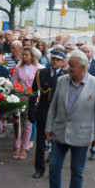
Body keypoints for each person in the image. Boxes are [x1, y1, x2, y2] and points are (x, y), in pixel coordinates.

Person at [45, 49, 95, 188]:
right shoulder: (62, 81)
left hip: (82, 133)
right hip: (60, 131)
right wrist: (48, 127)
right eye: (69, 66)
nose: (69, 69)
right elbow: (53, 106)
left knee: (77, 171)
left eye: (72, 66)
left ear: (82, 67)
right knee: (54, 166)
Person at [31, 49, 67, 179]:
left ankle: (55, 169)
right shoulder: (41, 73)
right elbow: (33, 93)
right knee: (40, 144)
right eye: (53, 59)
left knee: (57, 144)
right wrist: (31, 111)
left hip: (59, 114)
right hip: (43, 112)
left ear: (63, 62)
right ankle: (39, 168)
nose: (55, 62)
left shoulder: (66, 75)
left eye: (58, 60)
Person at [10, 47, 41, 160]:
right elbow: (14, 82)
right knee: (19, 123)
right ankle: (17, 146)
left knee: (29, 124)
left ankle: (25, 148)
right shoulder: (18, 68)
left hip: (32, 99)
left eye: (27, 54)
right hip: (20, 99)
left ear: (32, 56)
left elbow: (39, 85)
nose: (24, 56)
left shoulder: (38, 69)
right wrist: (16, 93)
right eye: (23, 54)